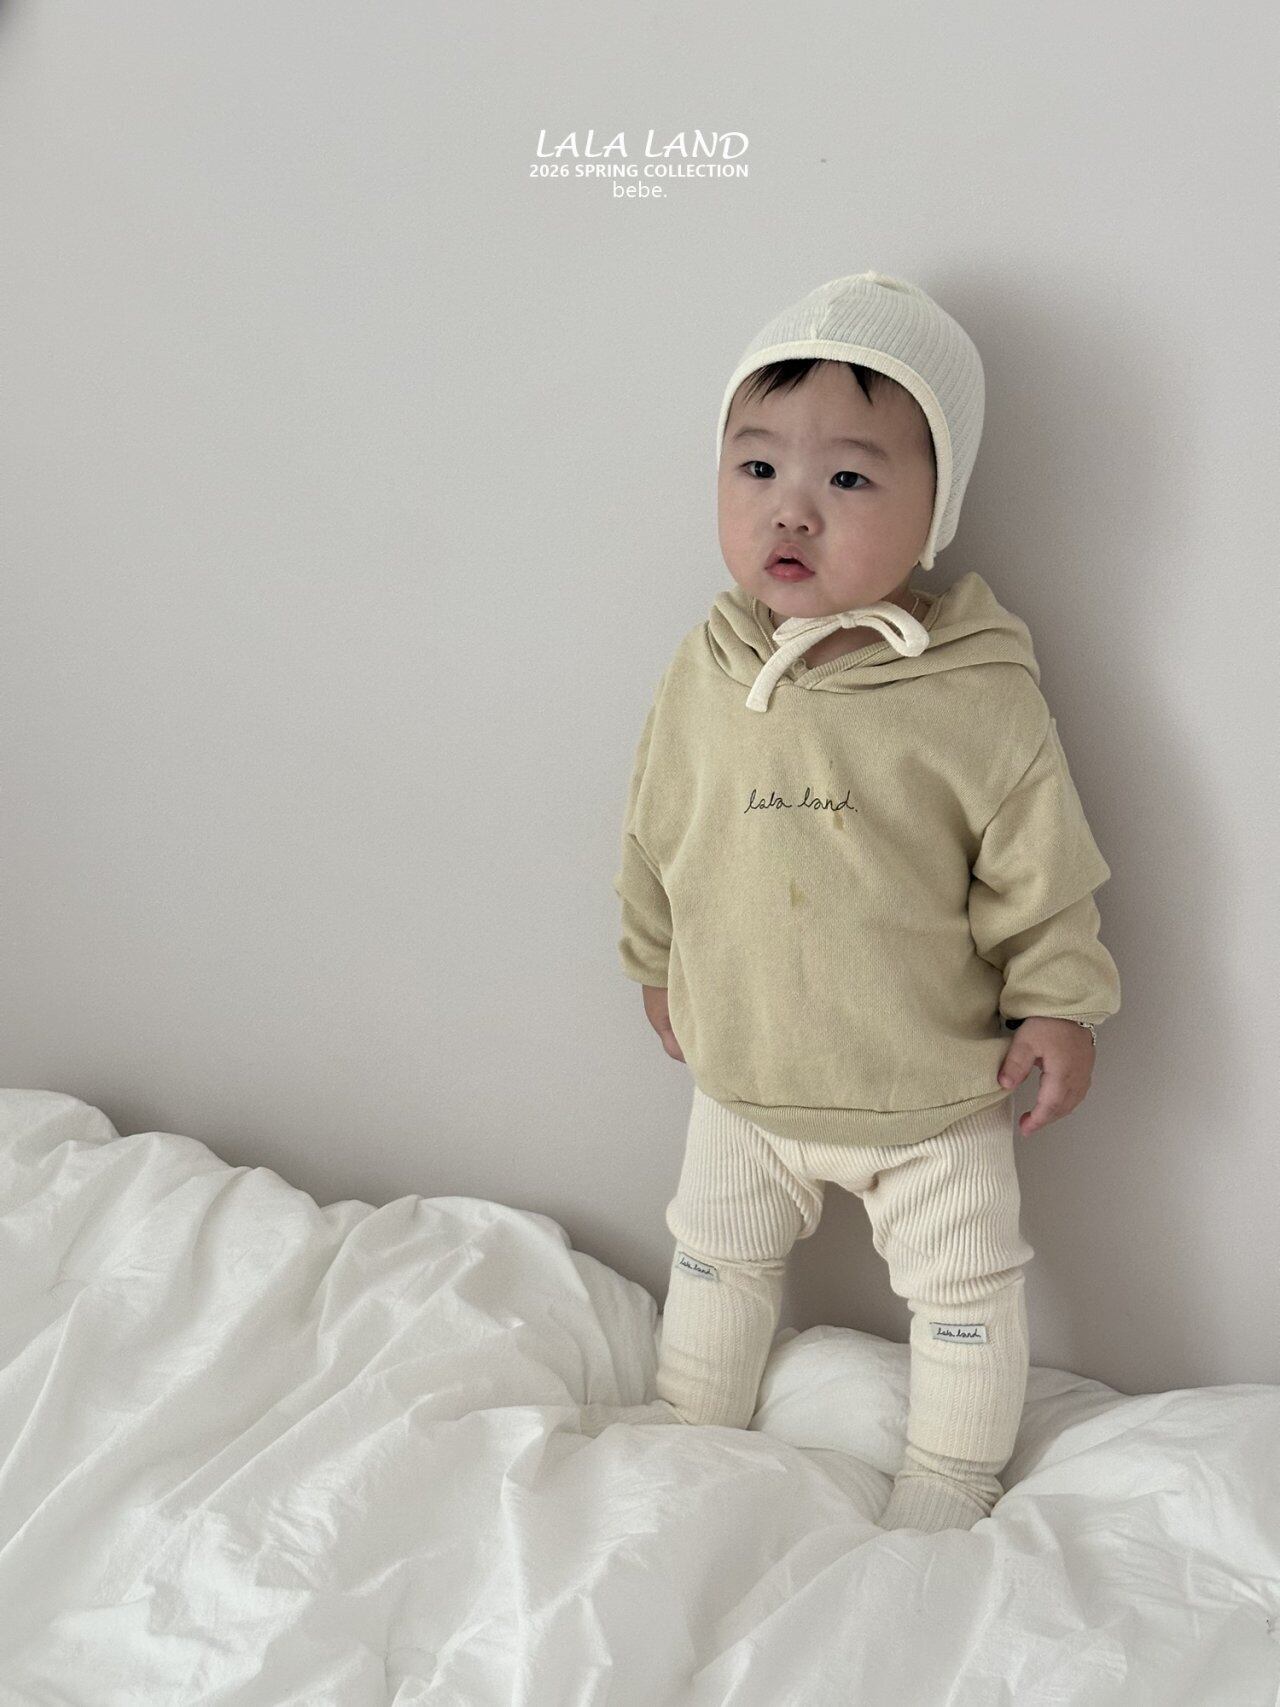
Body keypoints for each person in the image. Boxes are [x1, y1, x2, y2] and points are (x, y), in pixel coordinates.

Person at [604, 271, 1121, 1533]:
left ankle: (947, 1484)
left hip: (929, 1089)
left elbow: (1039, 868)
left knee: (966, 1295)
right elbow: (656, 824)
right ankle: (686, 1428)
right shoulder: (705, 669)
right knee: (713, 1260)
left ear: (934, 508)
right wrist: (653, 960)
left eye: (846, 478)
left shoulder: (976, 692)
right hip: (745, 1076)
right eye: (755, 467)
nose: (790, 509)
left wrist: (1059, 1003)